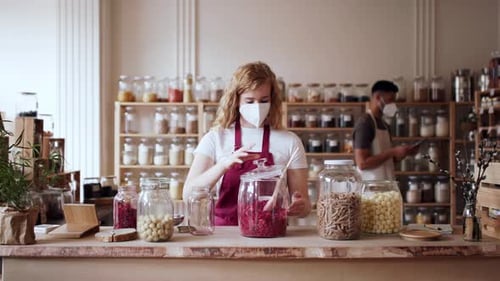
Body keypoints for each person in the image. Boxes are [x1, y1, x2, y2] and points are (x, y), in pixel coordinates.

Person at [184, 61, 311, 226]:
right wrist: (223, 165)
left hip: (271, 233)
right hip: (226, 234)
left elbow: (305, 204)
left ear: (272, 100)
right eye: (250, 101)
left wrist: (300, 207)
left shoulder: (290, 141)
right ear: (236, 100)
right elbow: (188, 193)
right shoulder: (215, 138)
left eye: (264, 100)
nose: (257, 107)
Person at [353, 80, 418, 180]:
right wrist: (392, 152)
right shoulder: (365, 123)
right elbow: (362, 163)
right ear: (378, 98)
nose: (393, 104)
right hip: (370, 188)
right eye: (390, 99)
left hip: (387, 184)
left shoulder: (385, 125)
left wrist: (402, 154)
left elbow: (387, 160)